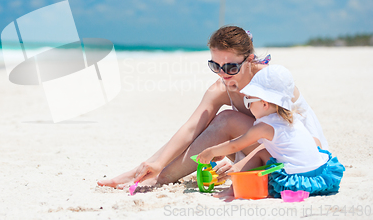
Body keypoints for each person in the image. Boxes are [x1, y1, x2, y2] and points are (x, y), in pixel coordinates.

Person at [97, 26, 329, 191]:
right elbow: (192, 127)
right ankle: (146, 171)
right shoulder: (222, 87)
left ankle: (160, 178)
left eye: (230, 67)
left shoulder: (272, 82)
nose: (222, 74)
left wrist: (240, 161)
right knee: (213, 121)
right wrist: (155, 160)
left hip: (301, 153)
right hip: (267, 146)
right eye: (215, 66)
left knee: (226, 118)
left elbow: (301, 135)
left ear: (249, 59)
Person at [197, 65, 344, 197]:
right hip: (320, 175)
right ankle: (235, 175)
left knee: (260, 154)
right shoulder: (291, 118)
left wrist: (211, 152)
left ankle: (234, 187)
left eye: (249, 102)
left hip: (296, 182)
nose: (248, 106)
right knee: (298, 145)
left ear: (265, 104)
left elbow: (236, 145)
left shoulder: (263, 127)